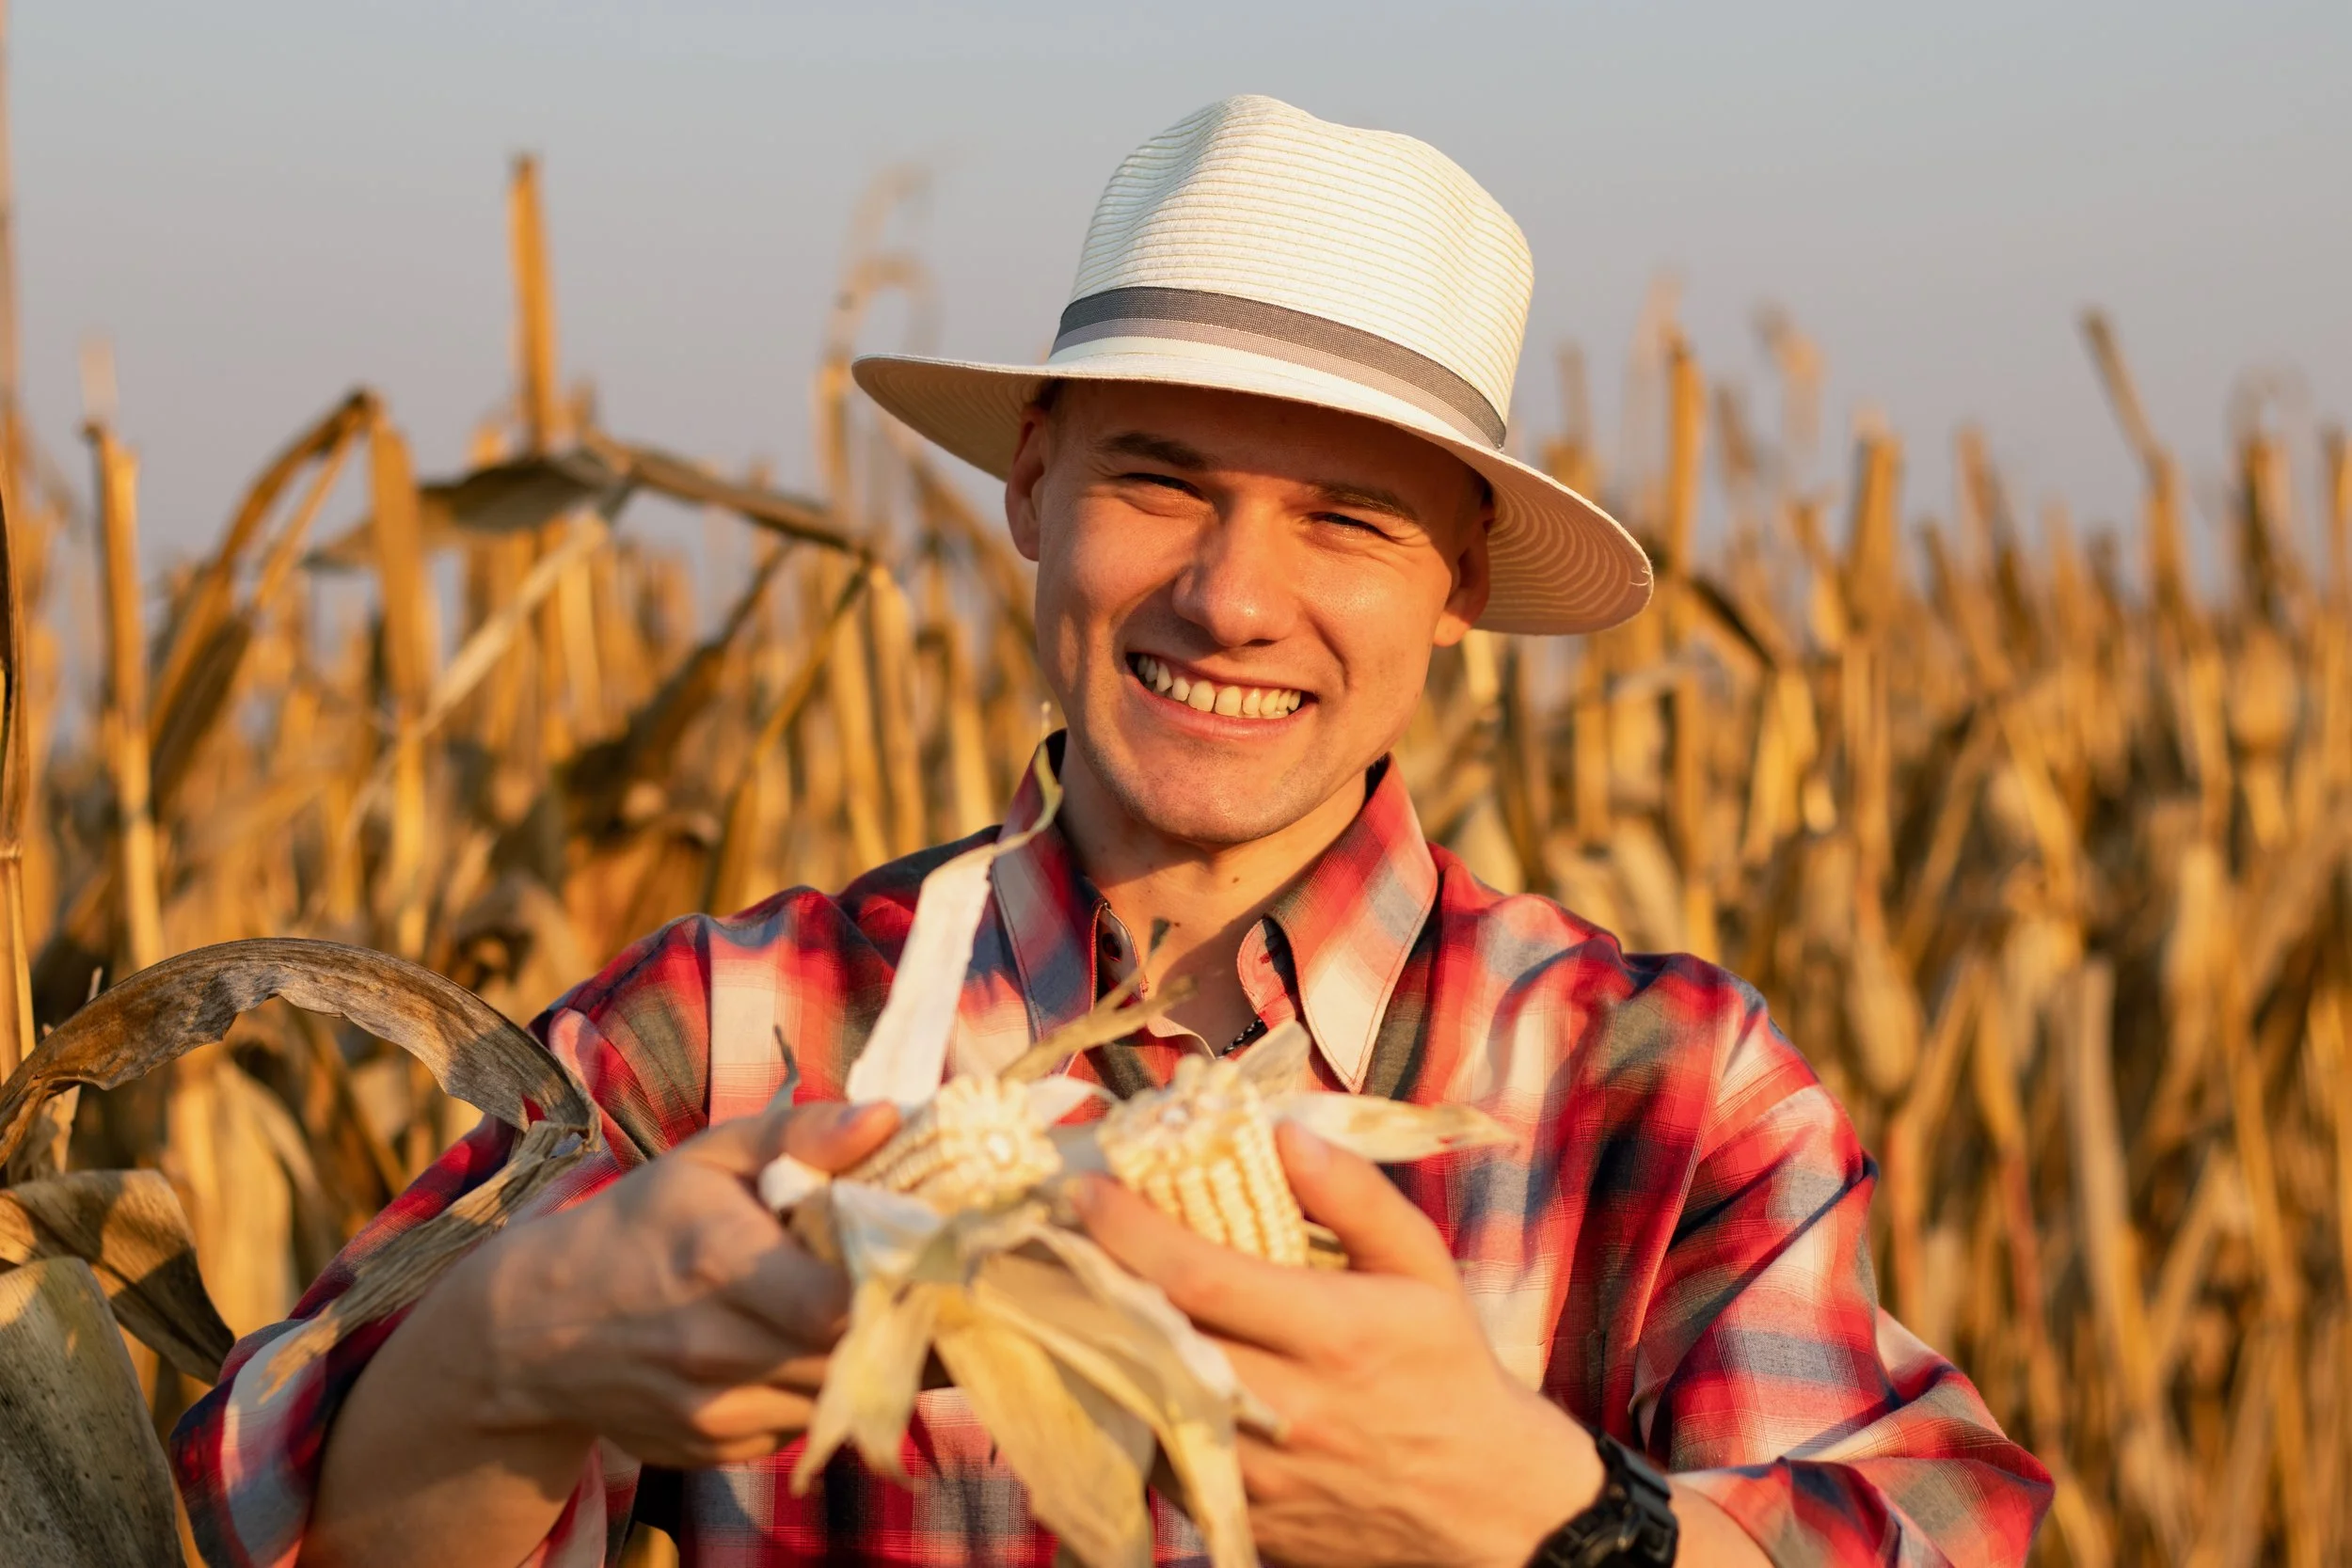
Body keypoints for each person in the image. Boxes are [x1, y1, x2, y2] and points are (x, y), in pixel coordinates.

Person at [173, 95, 2050, 1568]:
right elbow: (245, 1516)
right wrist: (509, 1354)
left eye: (1346, 520)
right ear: (1032, 487)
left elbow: (1928, 1520)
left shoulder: (1671, 1092)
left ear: (1457, 583)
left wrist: (1557, 1516)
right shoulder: (713, 1040)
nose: (1232, 598)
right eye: (1158, 478)